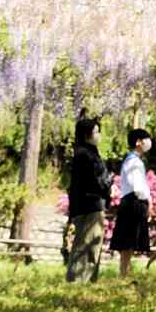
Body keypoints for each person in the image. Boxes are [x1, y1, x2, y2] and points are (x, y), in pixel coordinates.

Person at [66, 117, 111, 283]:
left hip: (88, 204)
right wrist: (109, 184)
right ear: (86, 135)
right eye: (96, 132)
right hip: (90, 205)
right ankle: (77, 281)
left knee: (91, 244)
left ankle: (87, 281)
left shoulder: (83, 152)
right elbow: (98, 180)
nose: (98, 136)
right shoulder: (86, 155)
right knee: (86, 244)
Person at [109, 128, 153, 277]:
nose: (149, 142)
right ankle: (124, 275)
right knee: (128, 241)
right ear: (138, 142)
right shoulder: (134, 161)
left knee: (129, 242)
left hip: (129, 201)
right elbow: (138, 186)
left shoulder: (133, 160)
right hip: (134, 201)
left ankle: (124, 274)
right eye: (146, 139)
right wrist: (147, 201)